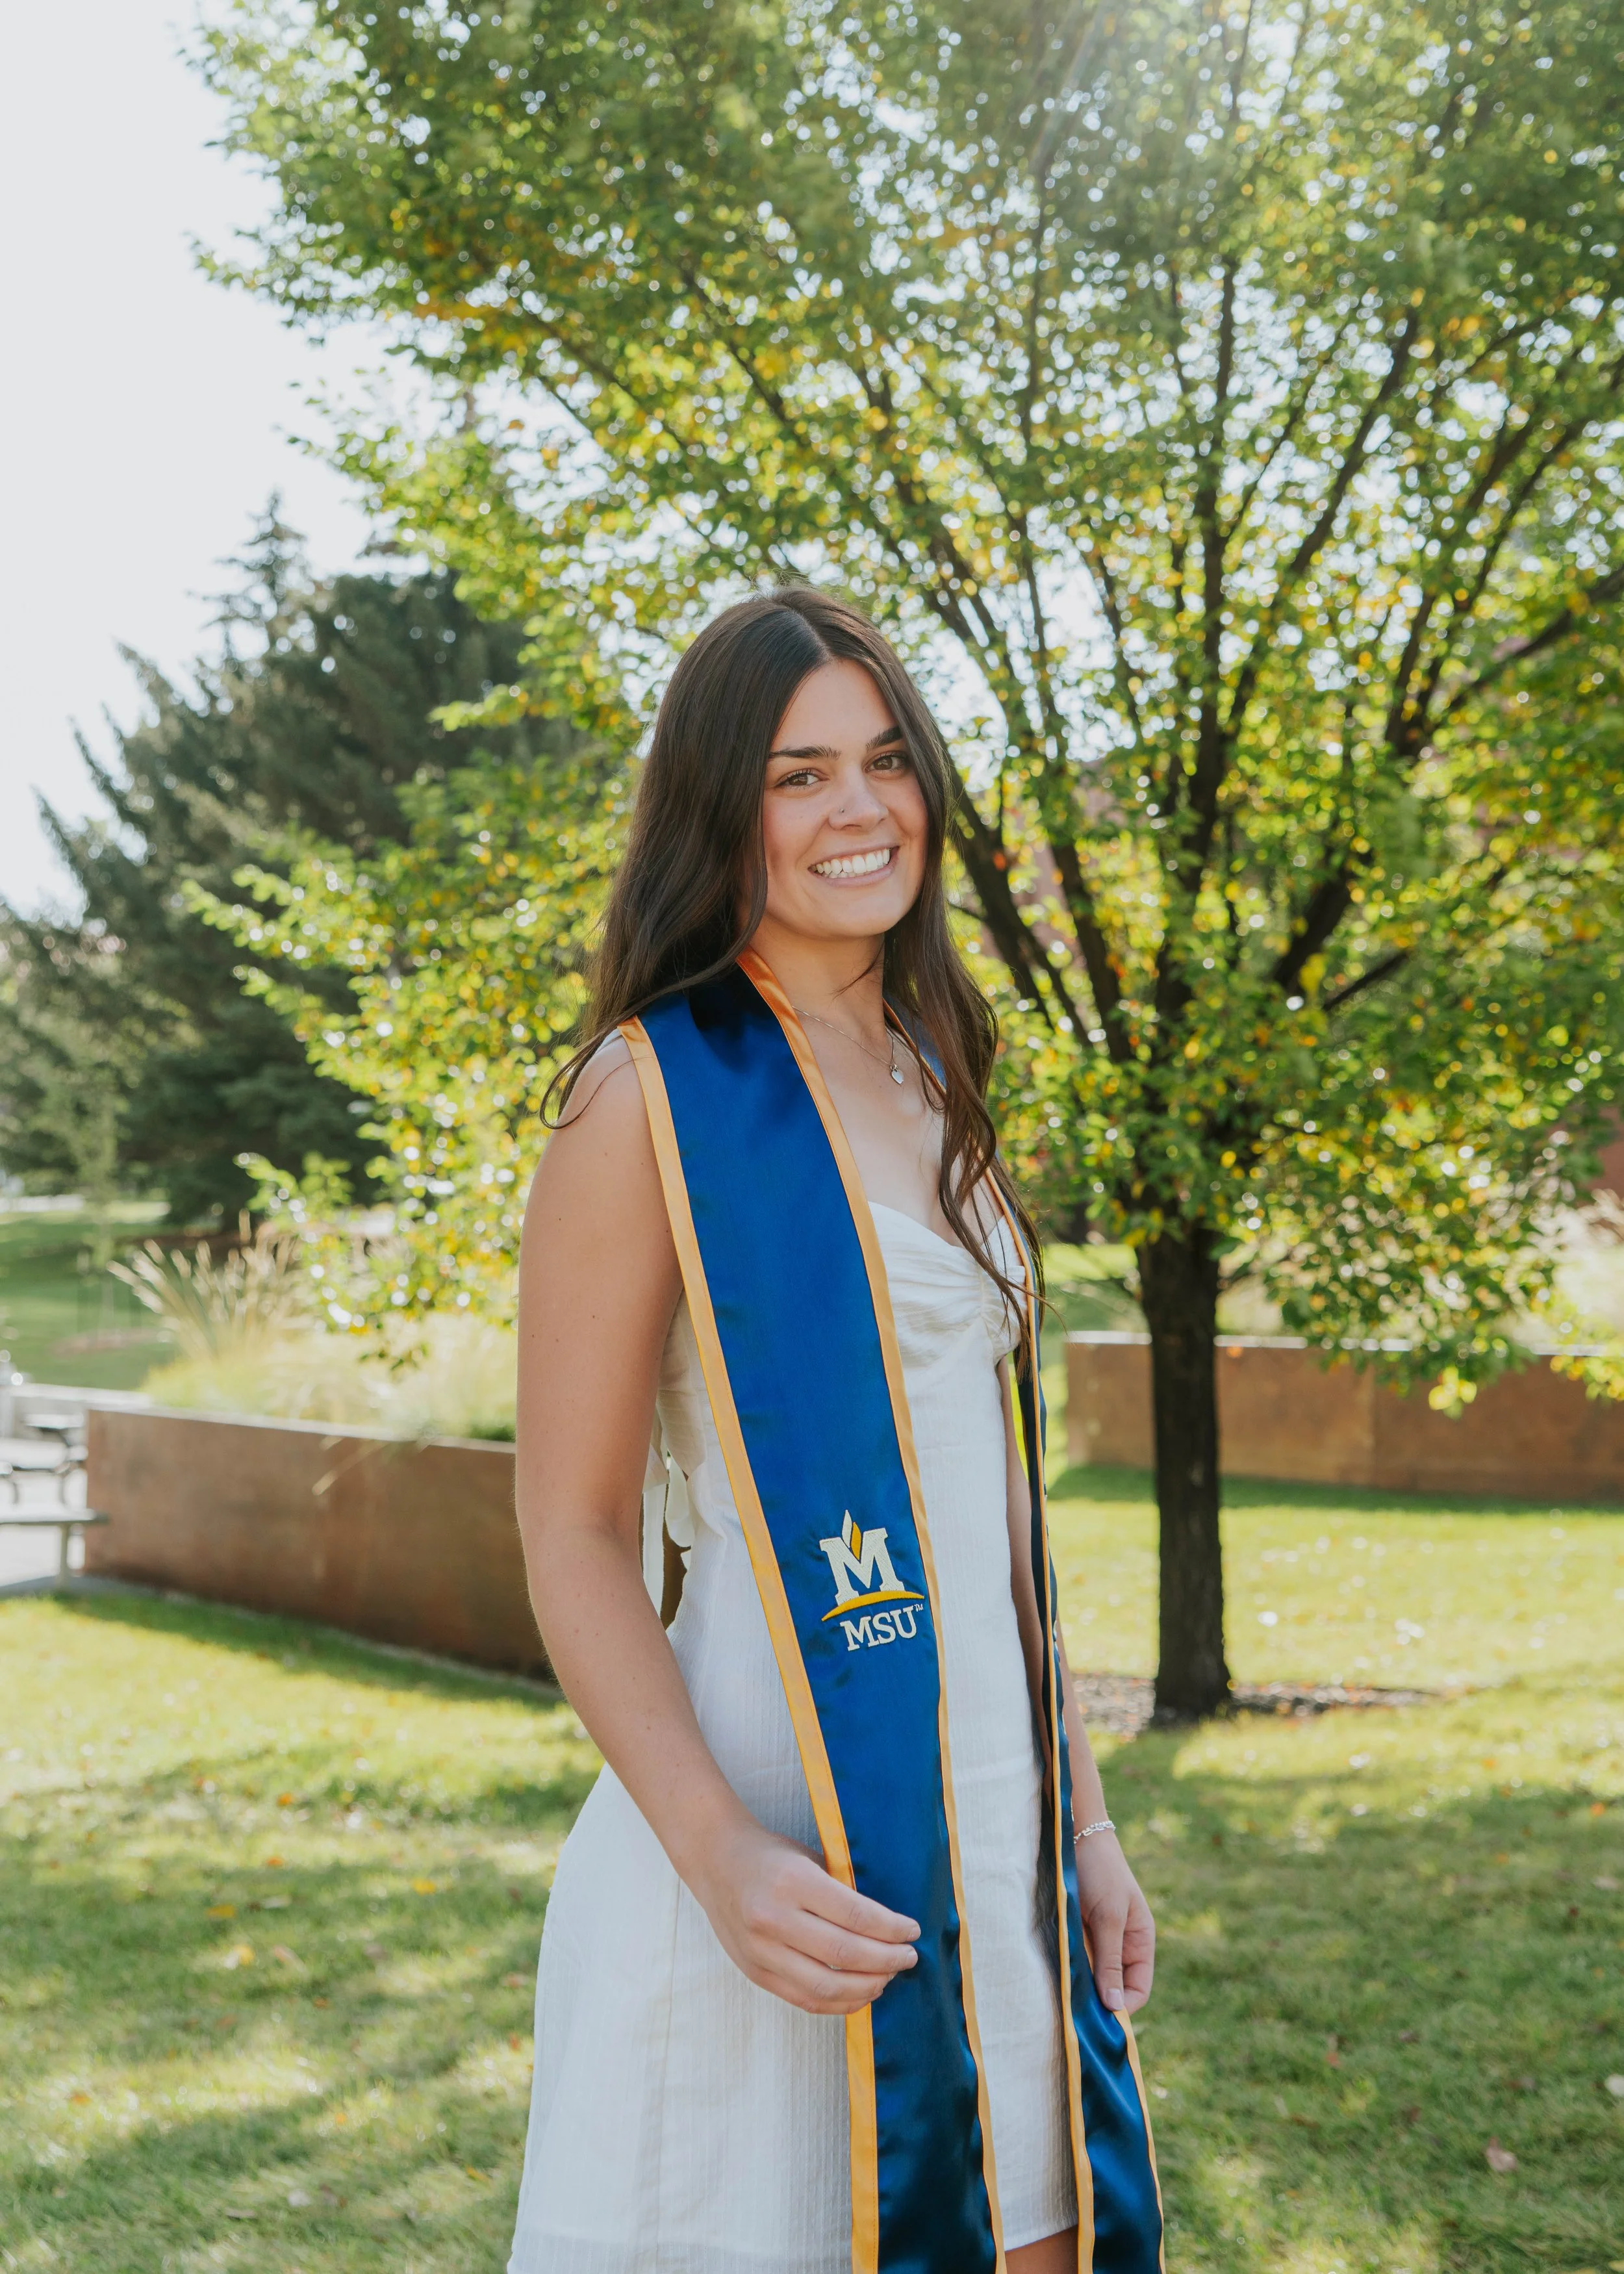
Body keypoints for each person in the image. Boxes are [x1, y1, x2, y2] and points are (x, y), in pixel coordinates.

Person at [507, 589, 1162, 2274]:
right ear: (720, 808)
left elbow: (996, 1522)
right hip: (767, 1861)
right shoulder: (647, 1095)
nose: (857, 808)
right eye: (797, 775)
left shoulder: (935, 1072)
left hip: (991, 1846)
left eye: (885, 761)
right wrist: (721, 1852)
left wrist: (1081, 1823)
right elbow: (570, 1529)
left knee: (1029, 2233)